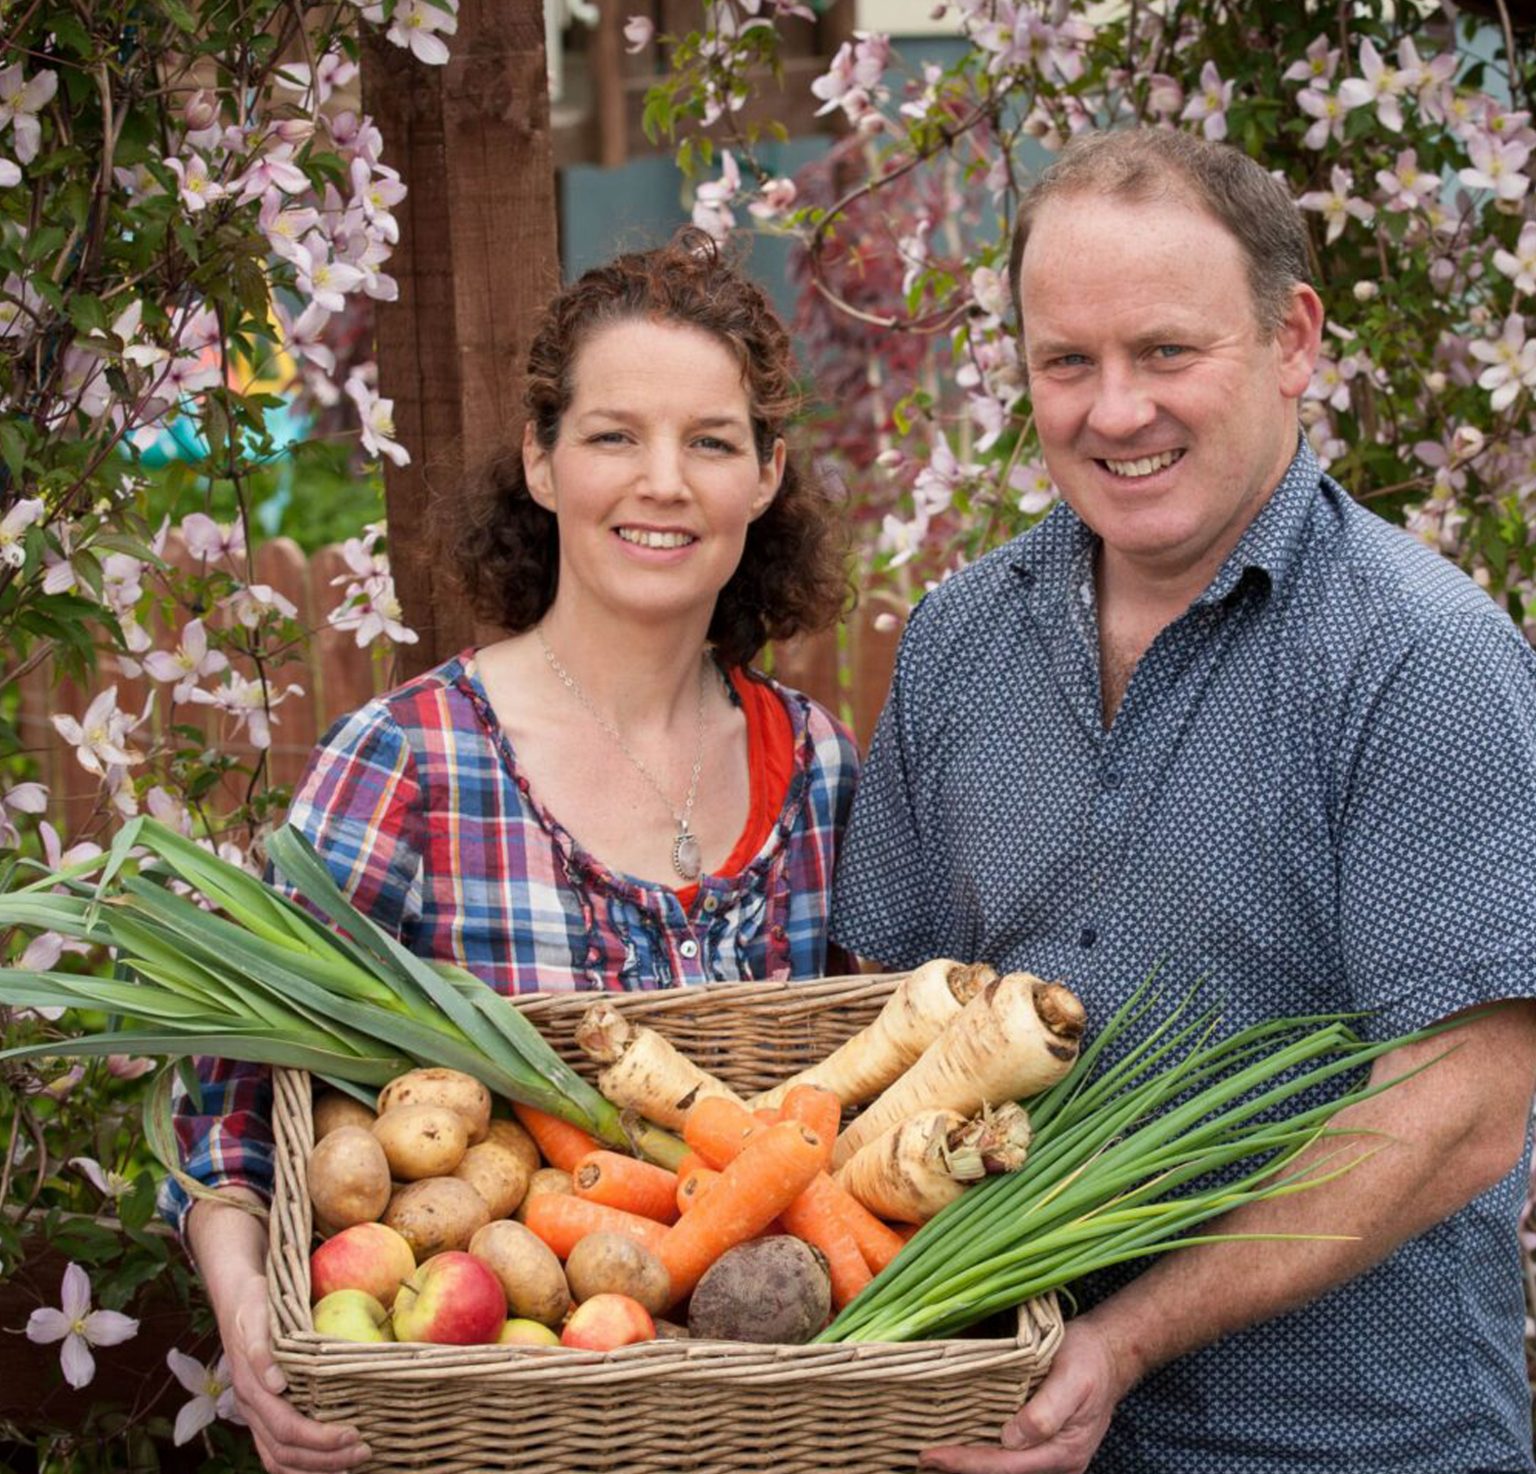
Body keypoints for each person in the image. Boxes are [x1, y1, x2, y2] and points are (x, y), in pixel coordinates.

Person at [830, 128, 1536, 1474]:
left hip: (1346, 1444)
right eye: (1067, 363)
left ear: (1293, 340)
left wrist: (1123, 1338)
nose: (1114, 411)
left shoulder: (1420, 656)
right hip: (1000, 1431)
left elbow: (1460, 1108)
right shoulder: (956, 644)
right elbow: (891, 1012)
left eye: (1165, 352)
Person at [158, 229, 859, 1474]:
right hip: (486, 1426)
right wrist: (251, 1325)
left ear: (765, 475)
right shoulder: (413, 763)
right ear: (541, 461)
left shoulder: (820, 769)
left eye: (710, 441)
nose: (664, 481)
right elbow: (227, 1097)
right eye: (611, 436)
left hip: (763, 1433)